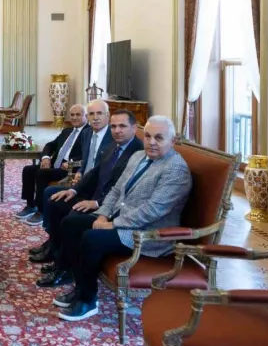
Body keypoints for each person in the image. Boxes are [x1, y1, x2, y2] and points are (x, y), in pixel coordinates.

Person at [50, 116, 192, 322]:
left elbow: (153, 210)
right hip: (122, 219)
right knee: (70, 224)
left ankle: (88, 300)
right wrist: (102, 215)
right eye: (148, 136)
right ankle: (80, 287)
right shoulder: (138, 156)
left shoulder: (175, 168)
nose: (152, 142)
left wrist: (111, 224)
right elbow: (117, 190)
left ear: (173, 140)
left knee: (91, 238)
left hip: (148, 234)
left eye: (159, 138)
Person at [32, 110, 143, 273]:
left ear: (134, 128)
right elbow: (95, 171)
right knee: (55, 201)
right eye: (113, 127)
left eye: (122, 126)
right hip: (96, 194)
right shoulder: (114, 145)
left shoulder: (138, 152)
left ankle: (64, 267)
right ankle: (54, 250)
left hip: (110, 205)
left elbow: (124, 190)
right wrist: (74, 190)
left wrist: (96, 203)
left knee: (72, 218)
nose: (117, 130)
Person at [16, 104, 88, 226]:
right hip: (55, 164)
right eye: (72, 115)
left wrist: (71, 162)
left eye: (78, 115)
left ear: (85, 116)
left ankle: (41, 211)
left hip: (69, 169)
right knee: (28, 170)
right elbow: (50, 145)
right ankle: (30, 205)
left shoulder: (88, 133)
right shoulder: (67, 131)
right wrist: (46, 157)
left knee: (42, 174)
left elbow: (88, 154)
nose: (74, 117)